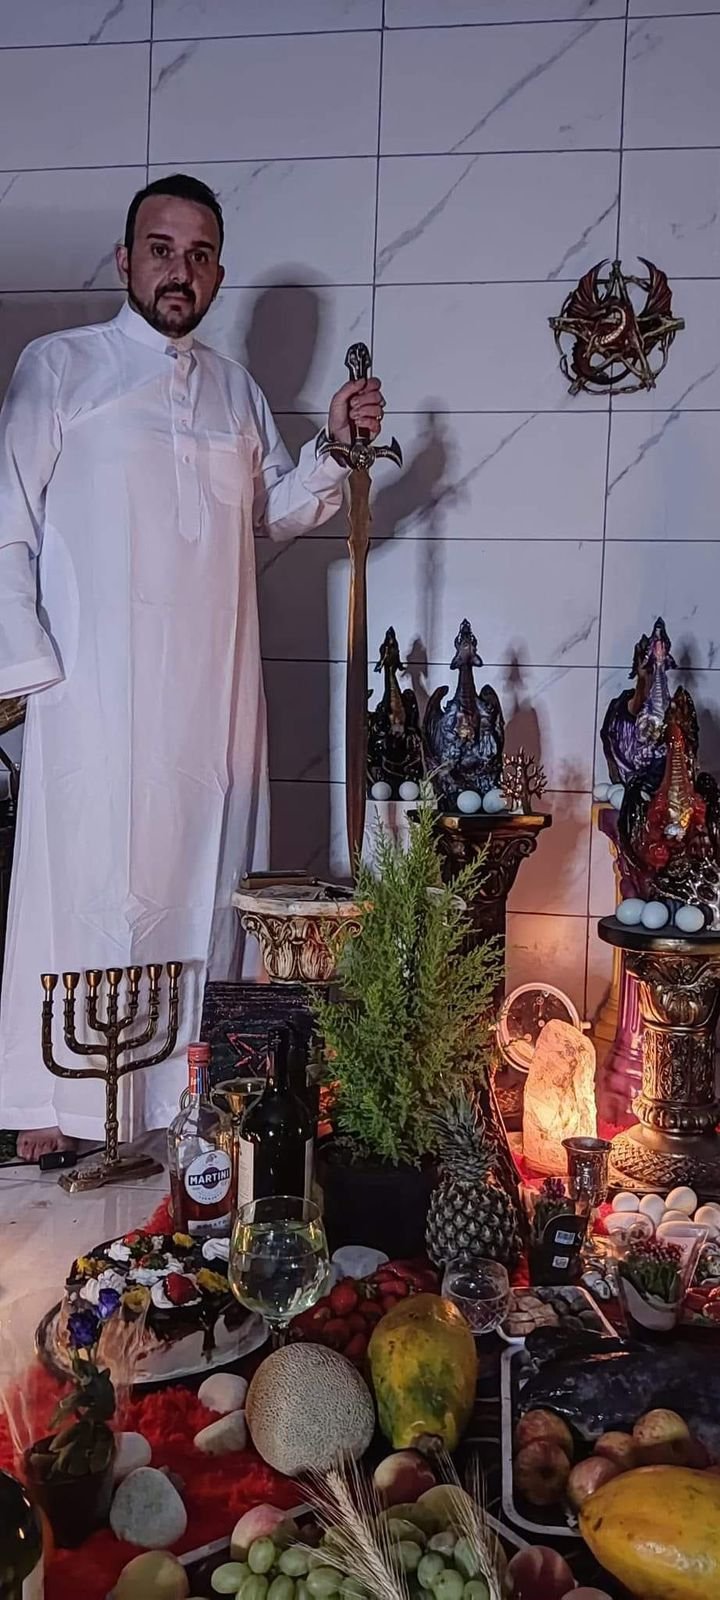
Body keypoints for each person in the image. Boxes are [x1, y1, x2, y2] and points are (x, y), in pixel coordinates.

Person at [0, 173, 385, 1161]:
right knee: (87, 881)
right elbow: (8, 519)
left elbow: (276, 512)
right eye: (162, 250)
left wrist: (336, 446)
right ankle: (64, 1102)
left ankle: (192, 1097)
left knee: (205, 884)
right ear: (126, 261)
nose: (181, 270)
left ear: (218, 273)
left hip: (214, 696)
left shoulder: (235, 390)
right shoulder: (60, 367)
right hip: (94, 693)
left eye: (201, 255)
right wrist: (27, 668)